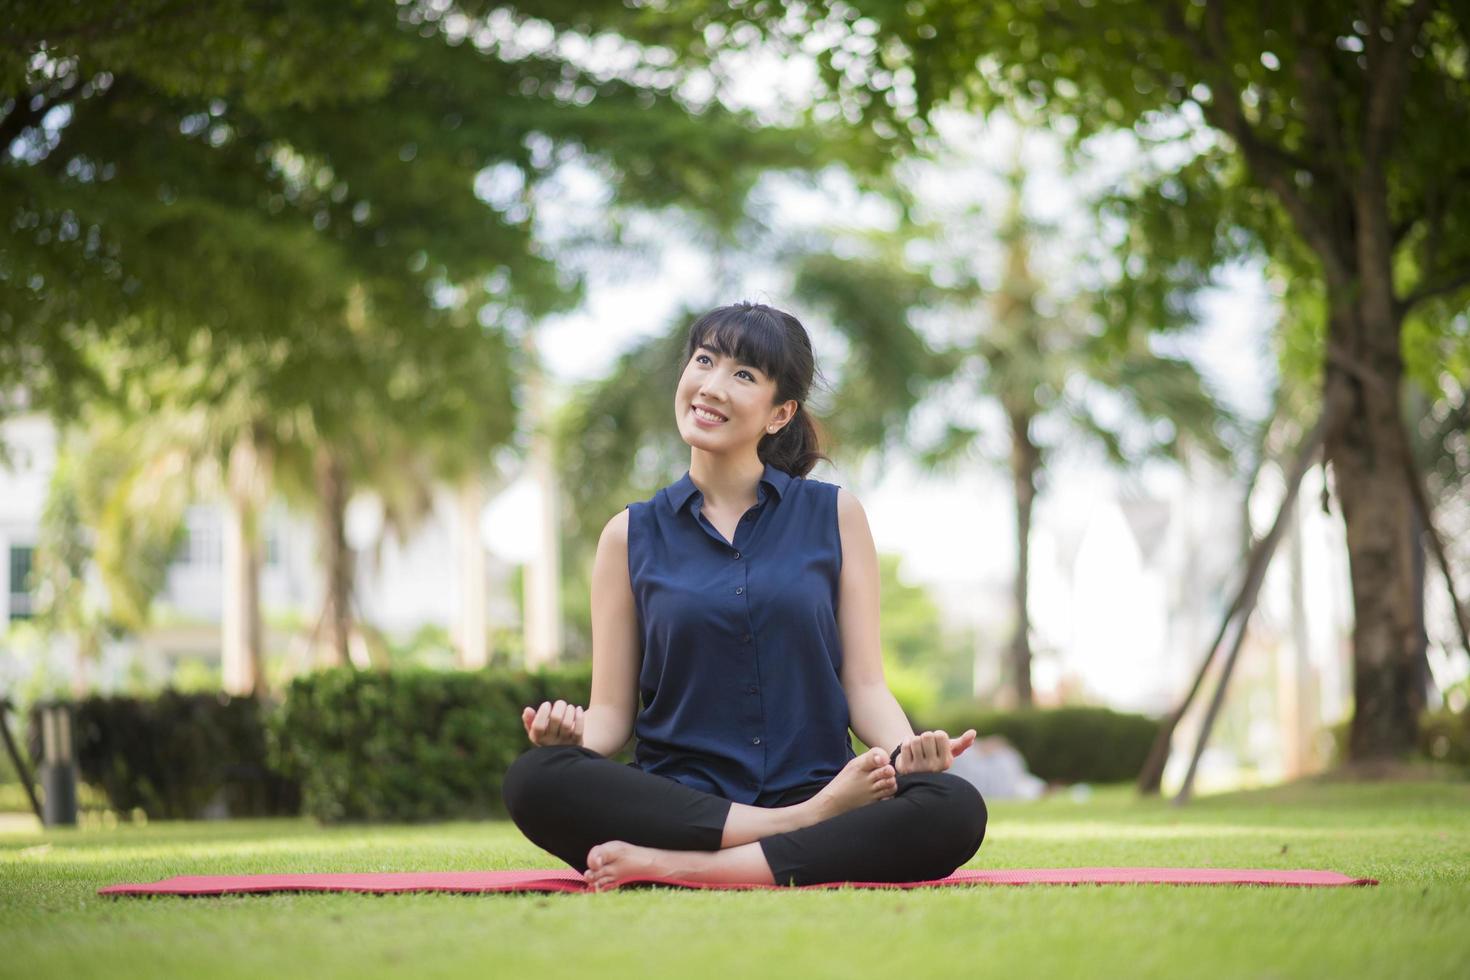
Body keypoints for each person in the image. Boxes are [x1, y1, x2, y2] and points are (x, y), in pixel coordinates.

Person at [502, 302, 987, 890]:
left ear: (780, 413)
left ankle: (677, 868)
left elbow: (864, 685)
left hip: (813, 783)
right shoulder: (628, 535)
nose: (711, 386)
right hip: (685, 805)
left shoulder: (834, 515)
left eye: (743, 375)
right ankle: (793, 829)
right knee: (537, 778)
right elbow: (610, 716)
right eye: (704, 361)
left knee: (953, 805)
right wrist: (571, 738)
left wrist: (910, 750)